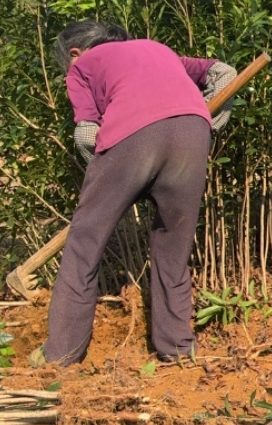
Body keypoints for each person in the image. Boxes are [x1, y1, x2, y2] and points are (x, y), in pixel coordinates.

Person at [32, 21, 236, 366]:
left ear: (75, 52)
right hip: (192, 133)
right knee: (173, 248)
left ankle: (61, 355)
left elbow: (85, 134)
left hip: (132, 136)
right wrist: (207, 120)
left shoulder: (81, 66)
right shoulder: (157, 48)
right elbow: (225, 73)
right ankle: (177, 349)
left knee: (85, 243)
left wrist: (104, 179)